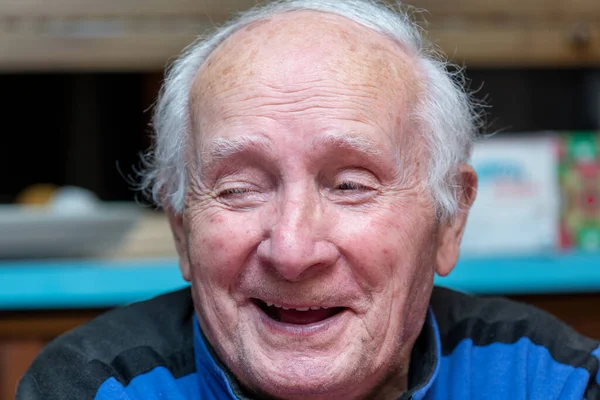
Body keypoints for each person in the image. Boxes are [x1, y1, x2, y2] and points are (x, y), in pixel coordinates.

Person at [18, 0, 600, 399]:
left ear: (449, 219)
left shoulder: (543, 379)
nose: (292, 252)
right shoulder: (98, 385)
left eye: (351, 186)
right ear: (181, 228)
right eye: (239, 190)